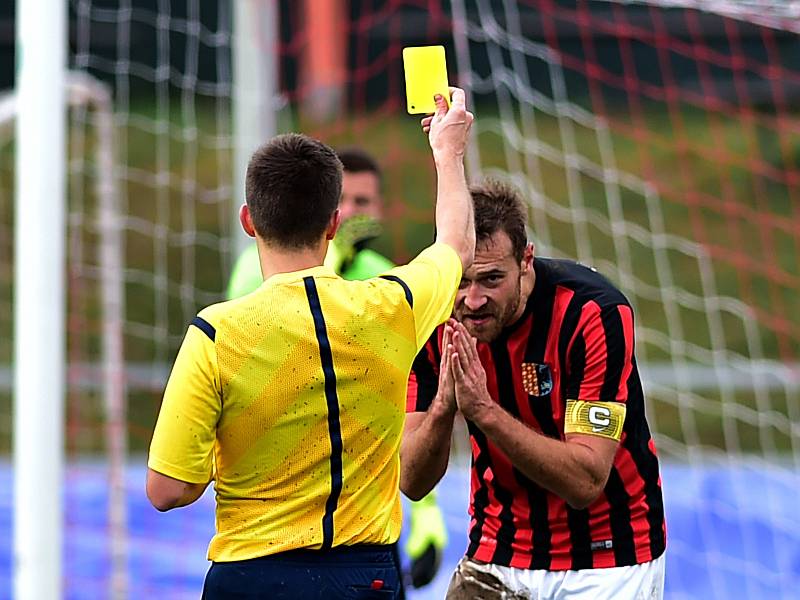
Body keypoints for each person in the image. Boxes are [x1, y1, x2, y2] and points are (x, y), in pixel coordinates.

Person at [146, 88, 474, 599]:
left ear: (249, 221)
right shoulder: (392, 306)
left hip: (251, 576)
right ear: (334, 223)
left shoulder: (215, 333)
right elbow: (456, 243)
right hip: (363, 575)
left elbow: (167, 490)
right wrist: (448, 154)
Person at [402, 179, 666, 599]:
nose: (472, 300)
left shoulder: (591, 314)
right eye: (462, 281)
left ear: (526, 260)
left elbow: (585, 481)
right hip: (498, 552)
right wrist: (443, 408)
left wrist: (484, 411)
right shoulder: (433, 319)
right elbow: (412, 482)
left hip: (607, 556)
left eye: (491, 279)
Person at [225, 147, 449, 587]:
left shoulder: (387, 282)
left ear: (380, 210)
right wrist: (331, 261)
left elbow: (406, 407)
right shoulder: (253, 275)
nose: (350, 213)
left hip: (367, 526)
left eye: (363, 203)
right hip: (274, 521)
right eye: (341, 201)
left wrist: (426, 518)